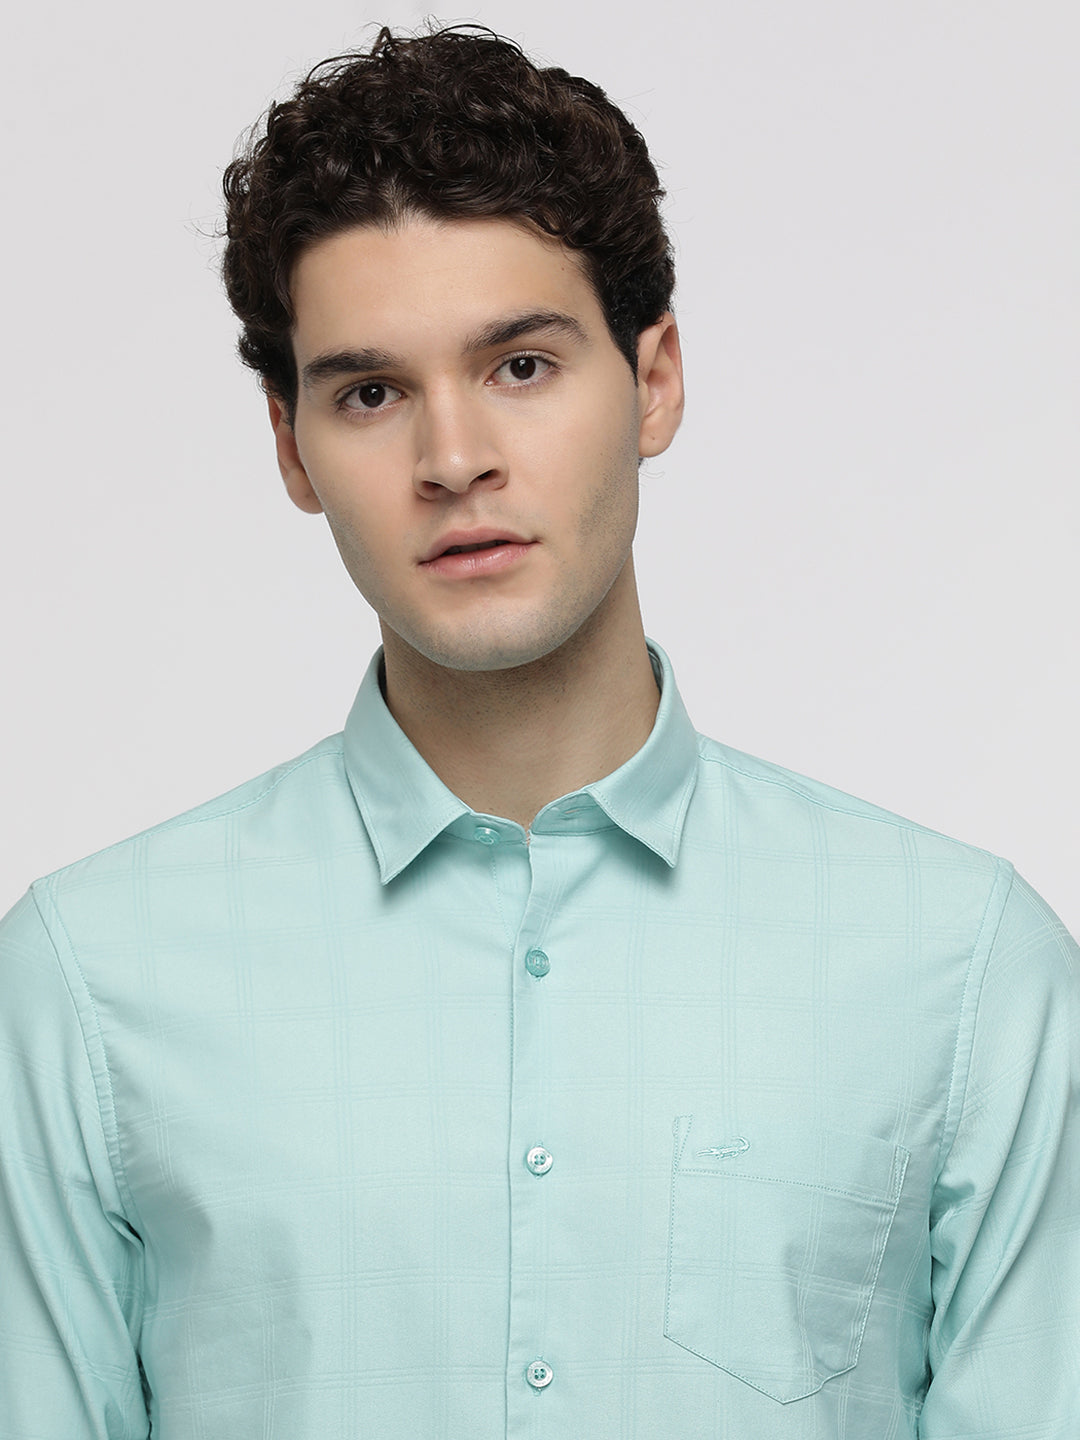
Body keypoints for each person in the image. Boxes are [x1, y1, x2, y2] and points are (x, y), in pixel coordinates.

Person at [0, 24, 1076, 1439]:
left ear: (655, 379)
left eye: (519, 365)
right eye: (371, 393)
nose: (453, 459)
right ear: (290, 446)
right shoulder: (88, 983)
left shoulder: (962, 968)